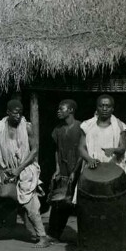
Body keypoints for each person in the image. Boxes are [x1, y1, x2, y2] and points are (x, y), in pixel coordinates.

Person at [0, 99, 50, 248]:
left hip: (25, 169)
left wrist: (19, 169)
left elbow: (34, 150)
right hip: (7, 169)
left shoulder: (27, 127)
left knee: (30, 205)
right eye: (15, 113)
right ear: (8, 112)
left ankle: (43, 237)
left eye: (20, 113)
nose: (18, 116)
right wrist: (2, 171)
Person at [47, 99, 82, 242]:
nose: (58, 111)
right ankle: (54, 234)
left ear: (71, 110)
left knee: (76, 203)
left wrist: (75, 171)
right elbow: (57, 149)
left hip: (77, 170)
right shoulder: (58, 129)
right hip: (62, 170)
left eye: (62, 109)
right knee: (58, 202)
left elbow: (83, 151)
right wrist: (57, 168)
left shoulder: (81, 127)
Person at [79, 94, 126, 174]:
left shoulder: (121, 126)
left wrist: (113, 150)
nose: (104, 109)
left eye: (108, 106)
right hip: (92, 167)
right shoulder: (87, 125)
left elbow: (122, 148)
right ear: (97, 107)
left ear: (112, 109)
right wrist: (89, 159)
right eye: (101, 106)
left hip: (114, 168)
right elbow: (81, 148)